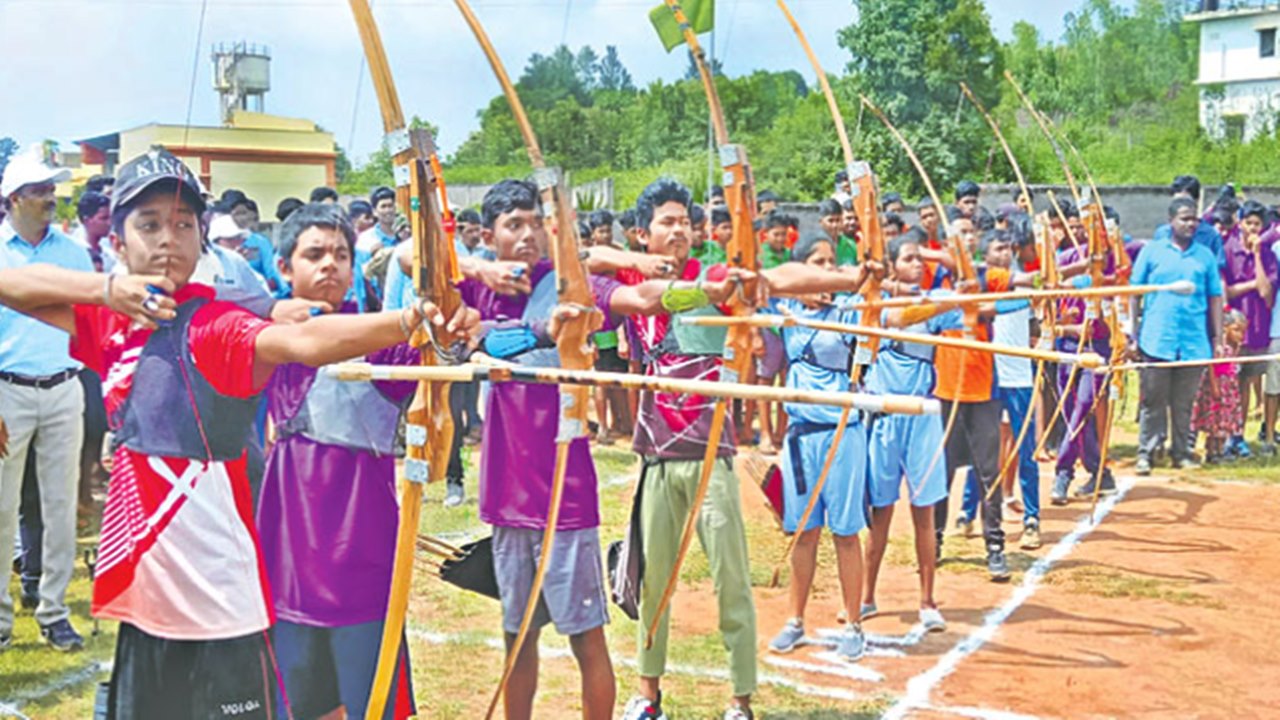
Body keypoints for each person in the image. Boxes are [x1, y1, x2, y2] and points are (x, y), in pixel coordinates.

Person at [0, 148, 472, 717]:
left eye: (182, 224)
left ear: (202, 240)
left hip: (218, 604)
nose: (168, 239)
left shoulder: (213, 325)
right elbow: (12, 285)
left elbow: (299, 344)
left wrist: (408, 320)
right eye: (148, 225)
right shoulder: (110, 323)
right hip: (145, 604)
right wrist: (105, 290)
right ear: (118, 243)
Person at [619, 178, 887, 720]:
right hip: (655, 458)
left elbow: (780, 279)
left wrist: (849, 277)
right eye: (666, 222)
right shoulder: (629, 279)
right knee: (653, 585)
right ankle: (648, 696)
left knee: (731, 583)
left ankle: (740, 701)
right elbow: (590, 261)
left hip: (708, 455)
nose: (678, 231)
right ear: (641, 233)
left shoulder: (713, 275)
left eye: (685, 222)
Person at [460, 178, 706, 720]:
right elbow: (410, 259)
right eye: (512, 225)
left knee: (586, 639)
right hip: (506, 493)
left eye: (535, 223)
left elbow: (638, 296)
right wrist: (480, 277)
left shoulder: (571, 284)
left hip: (564, 495)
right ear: (490, 235)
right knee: (516, 637)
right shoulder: (476, 287)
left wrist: (697, 288)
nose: (526, 236)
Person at [257, 203, 470, 719]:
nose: (330, 264)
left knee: (375, 707)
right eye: (314, 254)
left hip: (362, 564)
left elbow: (437, 346)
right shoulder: (264, 334)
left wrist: (447, 313)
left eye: (341, 254)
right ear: (285, 268)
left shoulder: (379, 341)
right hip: (287, 566)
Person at [764, 233, 878, 661]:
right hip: (800, 436)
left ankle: (852, 622)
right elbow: (767, 286)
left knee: (845, 533)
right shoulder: (787, 310)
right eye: (818, 263)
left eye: (833, 263)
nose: (827, 271)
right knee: (804, 532)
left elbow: (874, 308)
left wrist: (867, 280)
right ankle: (795, 620)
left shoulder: (848, 311)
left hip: (842, 432)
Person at [0, 148, 90, 652]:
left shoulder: (72, 252)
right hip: (6, 388)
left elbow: (88, 322)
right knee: (1, 509)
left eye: (51, 189)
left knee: (60, 506)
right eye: (39, 190)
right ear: (14, 199)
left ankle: (54, 612)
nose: (50, 197)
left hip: (62, 386)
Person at [862, 229, 959, 633]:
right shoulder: (877, 306)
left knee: (924, 513)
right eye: (908, 258)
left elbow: (980, 308)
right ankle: (865, 596)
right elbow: (900, 316)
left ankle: (927, 600)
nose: (918, 264)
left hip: (922, 416)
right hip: (886, 415)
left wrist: (962, 277)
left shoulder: (937, 303)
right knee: (880, 513)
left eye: (922, 259)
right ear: (892, 266)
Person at [931, 215, 1036, 581]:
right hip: (945, 391)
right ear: (946, 244)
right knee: (941, 474)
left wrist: (1059, 272)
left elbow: (1025, 282)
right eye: (958, 236)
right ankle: (935, 541)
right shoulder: (936, 281)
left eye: (970, 235)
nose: (966, 240)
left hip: (983, 390)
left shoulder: (985, 277)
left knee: (988, 471)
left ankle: (995, 547)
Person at [958, 228, 1042, 548]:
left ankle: (1032, 519)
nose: (1005, 254)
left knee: (1026, 450)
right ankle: (966, 513)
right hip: (989, 377)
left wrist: (1041, 320)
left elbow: (1033, 318)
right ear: (986, 255)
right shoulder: (980, 282)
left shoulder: (1020, 279)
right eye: (998, 249)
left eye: (1008, 248)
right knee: (982, 451)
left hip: (1019, 376)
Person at [1132, 198, 1225, 475]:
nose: (1190, 224)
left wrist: (1218, 337)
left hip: (1194, 341)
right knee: (1153, 401)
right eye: (1185, 218)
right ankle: (1146, 453)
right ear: (1171, 220)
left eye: (1194, 219)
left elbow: (1215, 298)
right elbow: (1135, 293)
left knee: (1184, 404)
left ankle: (1181, 451)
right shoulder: (1152, 251)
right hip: (1157, 338)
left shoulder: (1204, 256)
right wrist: (1132, 333)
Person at [1221, 200, 1275, 458]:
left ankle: (1239, 435)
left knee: (1247, 383)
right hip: (1234, 330)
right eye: (1249, 223)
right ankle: (1226, 435)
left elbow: (1267, 293)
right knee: (1231, 383)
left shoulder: (1268, 255)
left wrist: (1256, 255)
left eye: (1257, 224)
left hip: (1258, 330)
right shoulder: (1228, 250)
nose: (1253, 228)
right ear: (1240, 223)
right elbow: (1227, 291)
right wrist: (1251, 284)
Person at [1192, 310, 1246, 463]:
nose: (1240, 335)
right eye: (1236, 330)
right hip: (1217, 385)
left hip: (1229, 387)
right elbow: (1212, 365)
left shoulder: (1234, 346)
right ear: (1225, 327)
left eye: (1242, 331)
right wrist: (1215, 386)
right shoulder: (1219, 346)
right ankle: (1212, 451)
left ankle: (1221, 450)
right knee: (1214, 420)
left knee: (1225, 420)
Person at [73, 190, 115, 272]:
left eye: (110, 217)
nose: (110, 223)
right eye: (104, 218)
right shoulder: (73, 253)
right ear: (87, 220)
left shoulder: (109, 255)